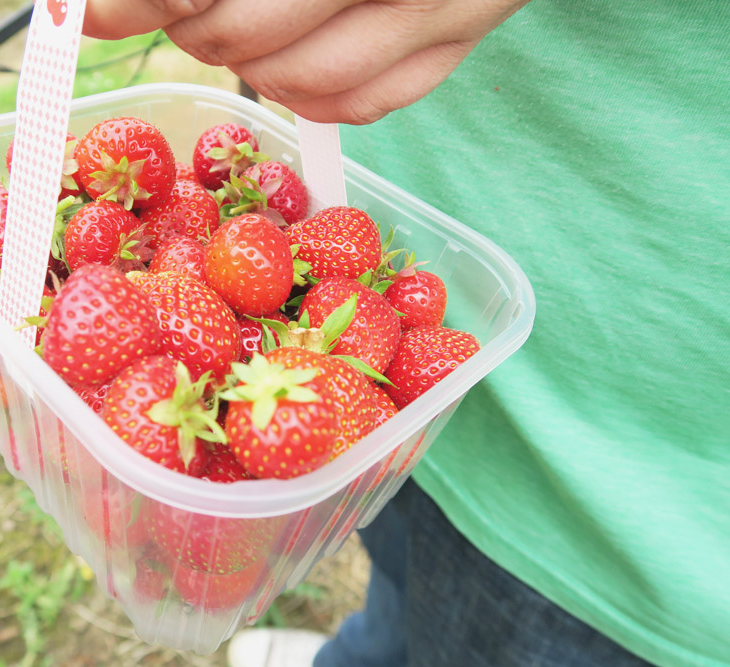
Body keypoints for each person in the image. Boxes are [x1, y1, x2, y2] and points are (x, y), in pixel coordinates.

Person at [83, 2, 730, 666]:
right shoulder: (323, 388)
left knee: (473, 636)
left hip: (611, 505)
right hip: (391, 416)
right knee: (392, 574)